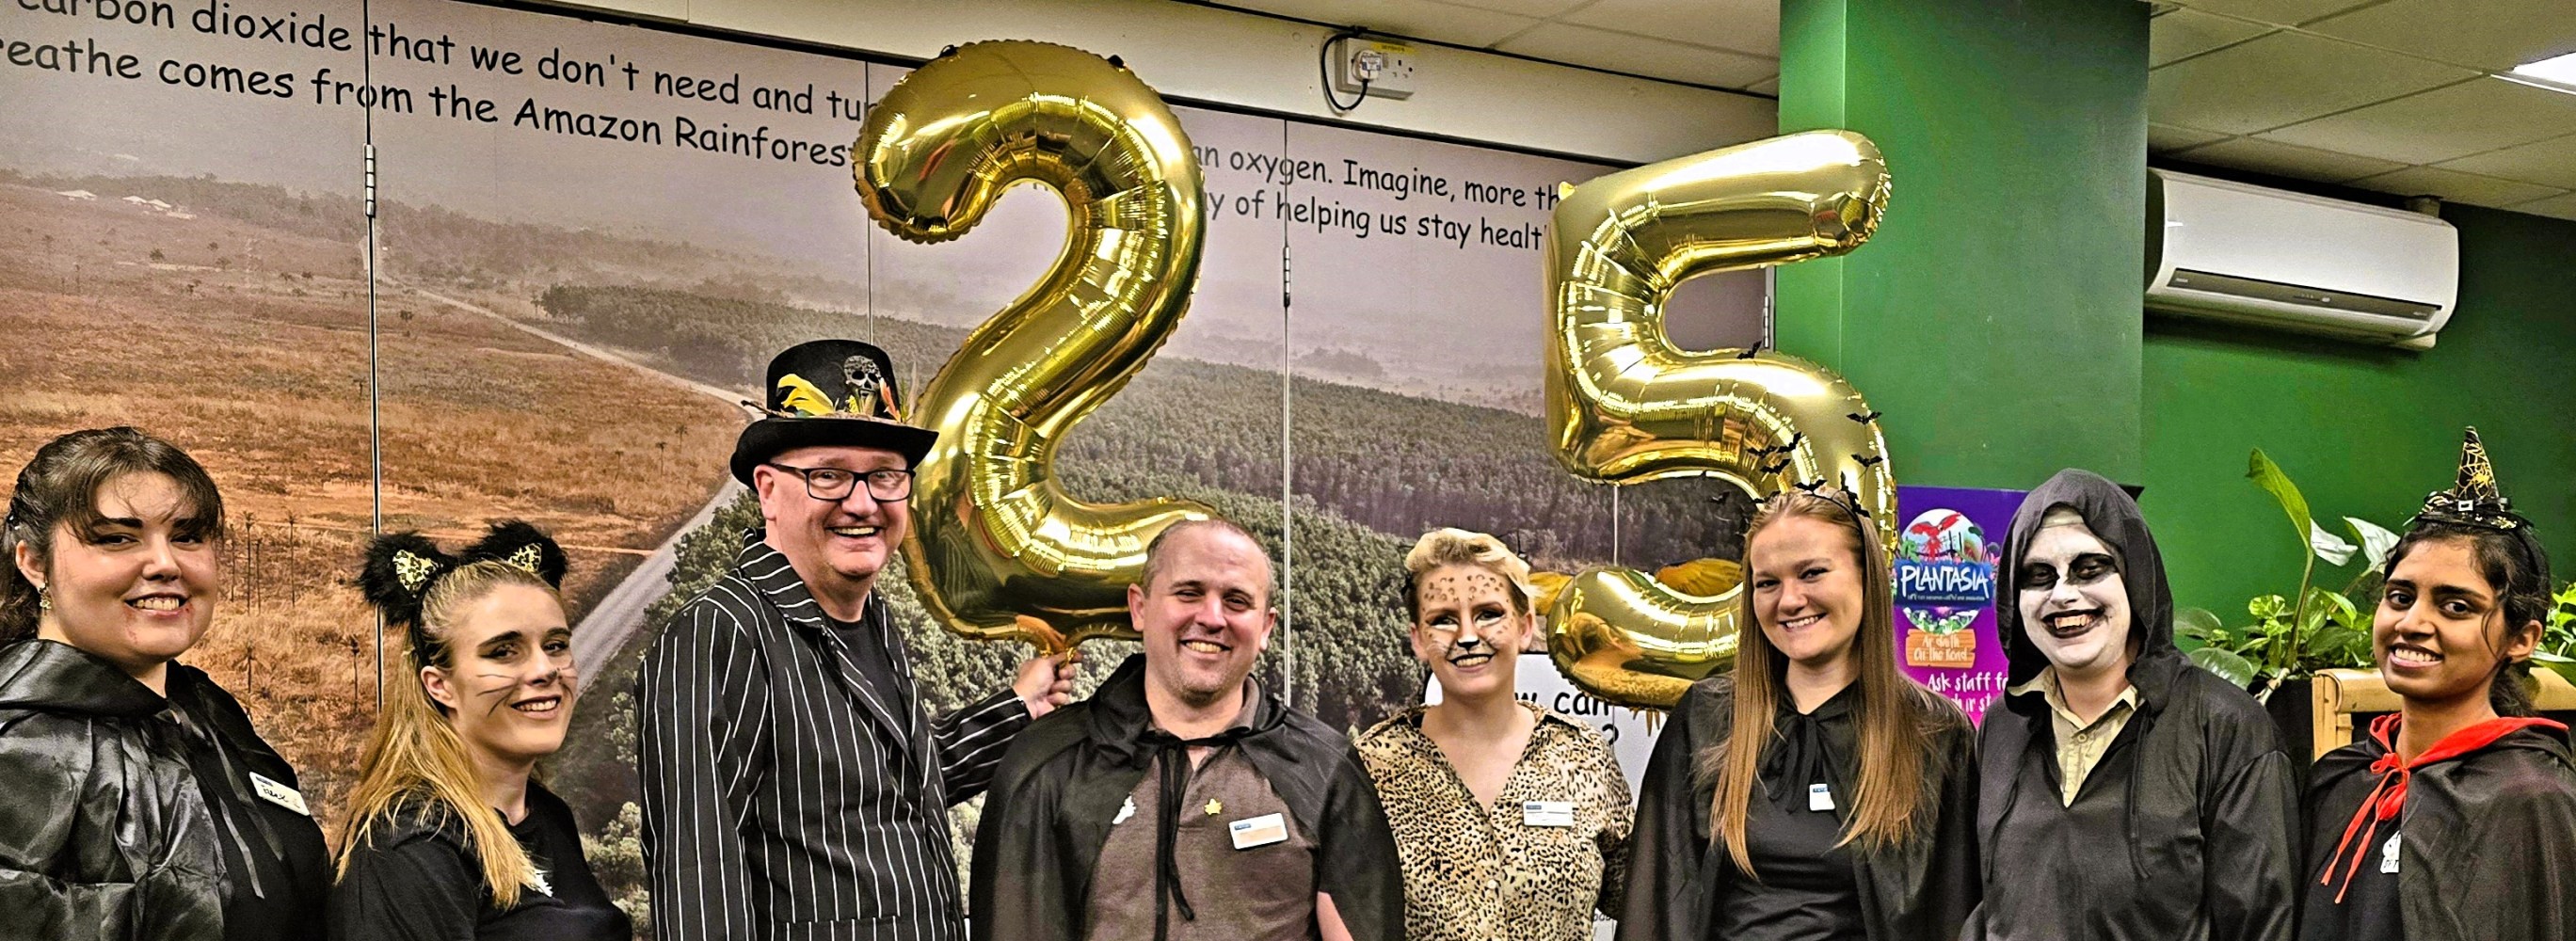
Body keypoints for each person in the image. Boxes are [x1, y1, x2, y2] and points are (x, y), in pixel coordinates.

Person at [637, 339, 1076, 941]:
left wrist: (1016, 711)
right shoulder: (721, 634)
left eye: (884, 476)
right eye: (829, 476)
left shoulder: (870, 617)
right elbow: (697, 872)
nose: (862, 501)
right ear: (767, 490)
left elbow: (890, 785)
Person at [969, 518, 1404, 941]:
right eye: (1188, 593)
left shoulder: (1324, 768)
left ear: (1266, 626)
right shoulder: (1049, 759)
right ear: (1139, 607)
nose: (1212, 617)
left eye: (1236, 600)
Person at [0, 427, 330, 940]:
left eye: (187, 536)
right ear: (33, 562)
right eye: (116, 538)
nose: (165, 564)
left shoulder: (207, 713)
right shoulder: (15, 752)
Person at [1618, 486, 1979, 941]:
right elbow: (1656, 903)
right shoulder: (1707, 721)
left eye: (1811, 573)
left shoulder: (1935, 732)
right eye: (1767, 583)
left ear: (1868, 578)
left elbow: (1955, 910)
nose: (1788, 600)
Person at [1966, 469, 2299, 940]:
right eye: (2039, 576)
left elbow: (2263, 925)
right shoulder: (2003, 726)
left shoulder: (2226, 727)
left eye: (2090, 569)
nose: (2063, 594)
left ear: (2136, 578)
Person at [2301, 429, 2576, 941]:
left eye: (2456, 606)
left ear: (2521, 638)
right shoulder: (2342, 780)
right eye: (2401, 597)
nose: (2412, 623)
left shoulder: (2531, 800)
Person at [328, 521, 632, 940]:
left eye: (556, 645)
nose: (545, 669)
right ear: (440, 685)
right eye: (504, 652)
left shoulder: (547, 814)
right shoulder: (412, 845)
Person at [1354, 528, 1630, 941]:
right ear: (1417, 638)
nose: (1467, 637)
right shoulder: (1372, 764)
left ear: (1524, 626)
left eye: (1488, 614)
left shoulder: (1581, 756)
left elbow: (1644, 902)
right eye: (1443, 620)